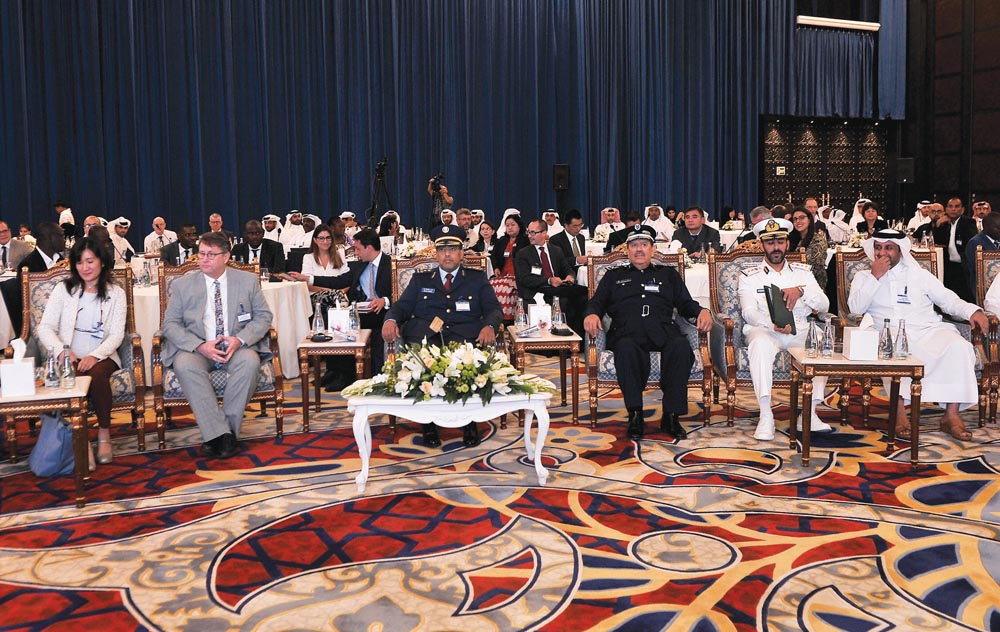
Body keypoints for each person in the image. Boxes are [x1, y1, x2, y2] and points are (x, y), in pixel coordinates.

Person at [851, 229, 988, 441]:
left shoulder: (920, 275)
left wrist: (973, 311)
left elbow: (948, 300)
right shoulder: (863, 276)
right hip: (888, 330)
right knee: (895, 348)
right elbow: (855, 308)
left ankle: (951, 415)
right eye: (878, 247)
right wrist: (874, 276)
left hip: (927, 329)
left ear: (900, 251)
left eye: (888, 248)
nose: (882, 253)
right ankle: (899, 415)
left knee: (957, 346)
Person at [584, 225, 712, 440]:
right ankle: (635, 414)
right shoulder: (613, 276)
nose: (639, 249)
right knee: (625, 350)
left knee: (681, 347)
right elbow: (596, 302)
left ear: (652, 249)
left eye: (644, 244)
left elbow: (685, 304)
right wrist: (591, 314)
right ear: (627, 250)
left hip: (662, 330)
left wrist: (703, 311)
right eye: (634, 245)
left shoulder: (668, 274)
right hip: (627, 332)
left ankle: (671, 415)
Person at [383, 224, 502, 447]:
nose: (447, 254)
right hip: (426, 340)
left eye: (453, 249)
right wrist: (390, 320)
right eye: (442, 249)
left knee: (466, 363)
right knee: (424, 365)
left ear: (461, 253)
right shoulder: (421, 280)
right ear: (436, 253)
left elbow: (494, 309)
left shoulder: (476, 279)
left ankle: (470, 423)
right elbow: (402, 307)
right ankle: (428, 424)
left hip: (465, 340)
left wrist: (490, 326)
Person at [160, 231, 274, 459]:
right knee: (184, 366)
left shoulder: (246, 281)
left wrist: (239, 340)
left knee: (250, 363)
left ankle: (219, 435)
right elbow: (170, 324)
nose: (203, 259)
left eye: (211, 255)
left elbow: (264, 317)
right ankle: (222, 435)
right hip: (198, 348)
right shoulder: (183, 285)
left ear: (226, 256)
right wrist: (199, 346)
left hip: (236, 347)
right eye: (201, 253)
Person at [738, 218, 832, 441]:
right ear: (761, 245)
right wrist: (772, 324)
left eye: (780, 241)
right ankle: (765, 414)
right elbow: (748, 312)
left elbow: (824, 305)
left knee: (820, 342)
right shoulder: (749, 276)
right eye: (770, 243)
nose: (776, 247)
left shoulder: (803, 273)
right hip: (765, 329)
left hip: (799, 328)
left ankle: (809, 412)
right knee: (759, 344)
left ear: (787, 244)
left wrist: (801, 291)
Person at [37, 237, 126, 465]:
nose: (84, 268)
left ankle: (104, 434)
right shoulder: (63, 290)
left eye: (90, 261)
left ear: (102, 262)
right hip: (68, 356)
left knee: (95, 375)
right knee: (74, 376)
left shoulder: (116, 293)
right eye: (79, 262)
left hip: (103, 355)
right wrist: (61, 352)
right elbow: (45, 327)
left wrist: (94, 356)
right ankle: (82, 439)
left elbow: (116, 335)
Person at [305, 228, 390, 388]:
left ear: (369, 248)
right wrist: (310, 278)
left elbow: (402, 292)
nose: (356, 253)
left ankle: (348, 376)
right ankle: (339, 373)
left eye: (357, 249)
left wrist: (384, 300)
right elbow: (338, 281)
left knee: (348, 323)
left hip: (382, 312)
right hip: (360, 311)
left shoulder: (390, 265)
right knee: (335, 321)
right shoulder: (359, 266)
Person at [514, 219, 588, 334]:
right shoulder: (523, 254)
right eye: (529, 232)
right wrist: (549, 280)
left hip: (557, 288)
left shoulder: (556, 250)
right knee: (563, 302)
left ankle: (578, 340)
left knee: (584, 294)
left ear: (544, 233)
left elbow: (567, 268)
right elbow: (525, 279)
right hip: (538, 290)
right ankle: (559, 342)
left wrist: (570, 276)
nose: (530, 236)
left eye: (533, 232)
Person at [932, 197, 978, 303]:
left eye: (957, 207)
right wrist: (938, 225)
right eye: (950, 207)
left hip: (963, 264)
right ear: (946, 209)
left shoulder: (968, 222)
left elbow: (971, 243)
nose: (953, 209)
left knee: (964, 295)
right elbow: (937, 243)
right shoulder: (944, 223)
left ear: (962, 210)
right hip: (948, 265)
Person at [490, 213, 529, 321]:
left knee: (504, 288)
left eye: (512, 225)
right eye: (507, 225)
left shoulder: (525, 241)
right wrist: (496, 268)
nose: (510, 228)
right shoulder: (502, 240)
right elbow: (493, 256)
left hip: (518, 275)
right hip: (503, 274)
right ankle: (497, 318)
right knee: (492, 285)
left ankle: (508, 319)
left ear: (519, 226)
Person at [788, 207, 829, 289]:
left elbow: (811, 265)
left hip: (813, 283)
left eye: (802, 218)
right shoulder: (791, 239)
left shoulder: (818, 240)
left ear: (809, 220)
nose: (798, 221)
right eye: (795, 219)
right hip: (792, 279)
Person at [965, 212, 1000, 292]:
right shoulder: (975, 243)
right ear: (987, 227)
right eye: (998, 228)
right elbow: (973, 271)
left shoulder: (997, 238)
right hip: (983, 287)